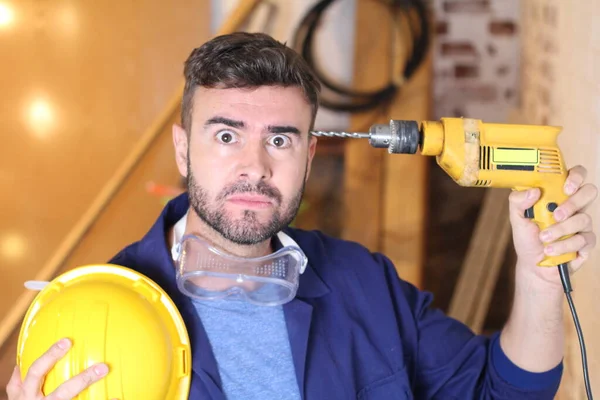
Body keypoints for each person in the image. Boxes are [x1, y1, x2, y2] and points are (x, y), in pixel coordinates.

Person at [7, 32, 598, 400]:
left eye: (281, 140)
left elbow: (503, 391)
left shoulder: (363, 284)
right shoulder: (99, 319)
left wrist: (540, 281)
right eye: (227, 135)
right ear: (184, 148)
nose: (255, 166)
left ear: (310, 154)